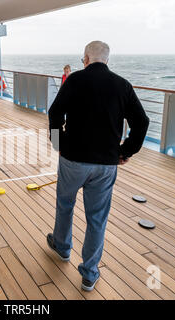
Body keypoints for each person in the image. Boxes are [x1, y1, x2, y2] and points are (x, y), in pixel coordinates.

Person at [47, 41, 149, 292]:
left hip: (73, 159)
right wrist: (126, 152)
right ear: (107, 60)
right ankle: (89, 273)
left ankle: (61, 247)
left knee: (65, 204)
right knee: (97, 218)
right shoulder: (122, 85)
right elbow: (142, 122)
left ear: (86, 58)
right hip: (105, 164)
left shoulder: (74, 80)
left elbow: (55, 113)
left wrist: (56, 143)